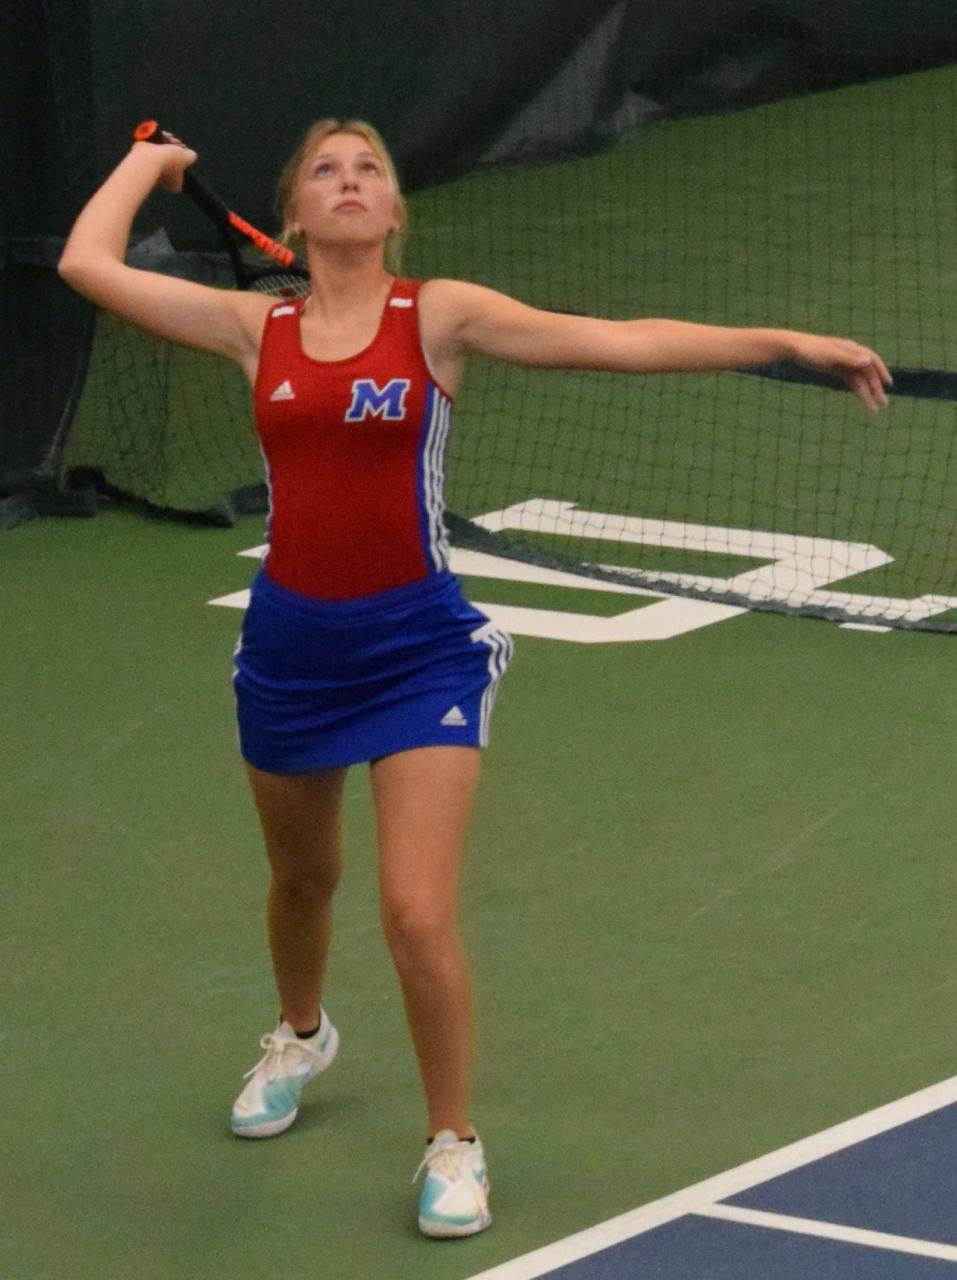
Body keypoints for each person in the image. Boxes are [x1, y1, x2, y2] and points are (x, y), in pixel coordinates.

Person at [57, 118, 892, 1239]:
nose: (350, 182)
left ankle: (453, 1139)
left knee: (414, 909)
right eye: (325, 170)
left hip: (419, 651)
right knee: (303, 883)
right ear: (295, 217)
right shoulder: (253, 327)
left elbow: (615, 339)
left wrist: (782, 341)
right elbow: (86, 265)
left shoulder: (438, 316)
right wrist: (150, 167)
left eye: (370, 172)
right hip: (290, 654)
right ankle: (302, 1031)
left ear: (394, 213)